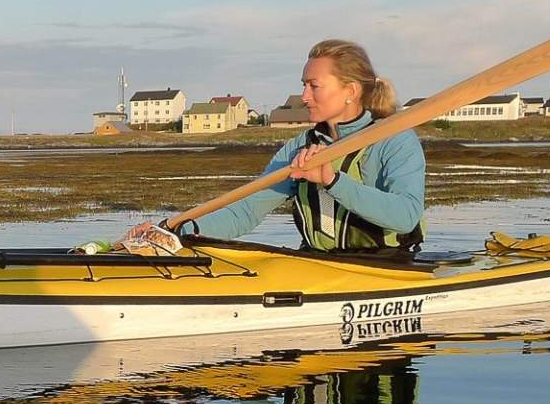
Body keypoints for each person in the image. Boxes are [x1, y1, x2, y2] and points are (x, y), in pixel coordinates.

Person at [127, 39, 424, 254]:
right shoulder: (299, 148)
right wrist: (175, 230)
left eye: (314, 85)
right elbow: (243, 213)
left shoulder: (395, 140)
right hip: (319, 264)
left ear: (350, 90)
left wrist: (332, 180)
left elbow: (405, 216)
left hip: (390, 268)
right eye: (303, 85)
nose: (304, 96)